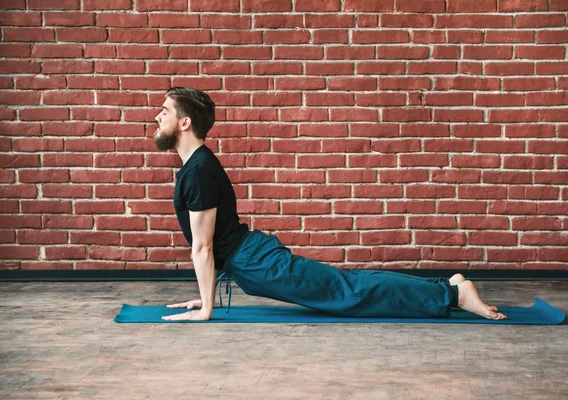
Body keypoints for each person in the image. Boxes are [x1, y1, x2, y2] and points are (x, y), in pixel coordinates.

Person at [154, 87, 507, 322]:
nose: (158, 116)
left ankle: (453, 294)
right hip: (251, 260)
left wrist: (206, 310)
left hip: (257, 262)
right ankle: (447, 287)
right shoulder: (196, 166)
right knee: (346, 285)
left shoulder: (197, 171)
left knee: (347, 291)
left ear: (185, 123)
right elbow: (209, 243)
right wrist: (205, 297)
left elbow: (202, 247)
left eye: (165, 111)